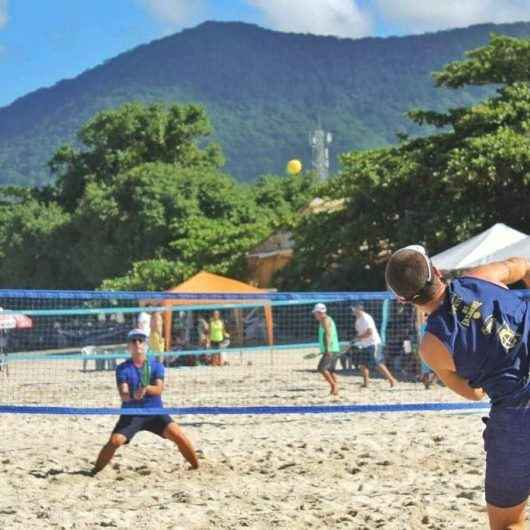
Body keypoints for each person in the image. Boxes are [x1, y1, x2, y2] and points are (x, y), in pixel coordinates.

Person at [385, 244, 530, 530]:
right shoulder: (481, 276)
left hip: (517, 416)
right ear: (437, 271)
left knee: (507, 524)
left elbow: (474, 393)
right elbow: (523, 264)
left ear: (403, 300)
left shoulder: (432, 347)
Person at [93, 328, 198, 474]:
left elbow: (158, 390)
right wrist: (130, 396)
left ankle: (196, 468)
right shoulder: (122, 368)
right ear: (128, 346)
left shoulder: (156, 365)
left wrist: (145, 389)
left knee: (179, 436)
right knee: (114, 441)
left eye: (140, 340)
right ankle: (94, 472)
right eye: (133, 340)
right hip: (132, 414)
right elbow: (123, 393)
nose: (137, 343)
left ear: (145, 344)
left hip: (155, 411)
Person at [351, 305, 397, 388]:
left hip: (373, 343)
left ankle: (391, 379)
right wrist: (356, 340)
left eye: (353, 308)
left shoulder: (366, 318)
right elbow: (360, 333)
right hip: (365, 344)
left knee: (378, 363)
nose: (352, 310)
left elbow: (370, 332)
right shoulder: (358, 319)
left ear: (359, 309)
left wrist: (358, 338)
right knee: (362, 364)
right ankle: (366, 383)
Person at [312, 303, 340, 396]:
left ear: (320, 312)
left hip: (331, 349)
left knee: (321, 368)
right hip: (334, 348)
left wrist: (327, 349)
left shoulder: (325, 320)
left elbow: (328, 335)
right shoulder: (327, 319)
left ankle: (334, 386)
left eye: (315, 313)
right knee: (331, 370)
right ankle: (336, 388)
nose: (314, 315)